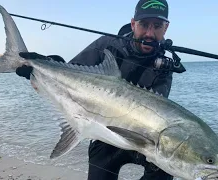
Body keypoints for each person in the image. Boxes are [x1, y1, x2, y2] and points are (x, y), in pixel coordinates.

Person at [17, 0, 174, 179]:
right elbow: (71, 72)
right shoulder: (107, 45)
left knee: (166, 168)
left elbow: (155, 118)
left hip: (140, 139)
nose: (149, 33)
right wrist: (43, 66)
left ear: (166, 28)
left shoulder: (165, 67)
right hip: (103, 135)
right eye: (144, 25)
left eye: (157, 26)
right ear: (133, 24)